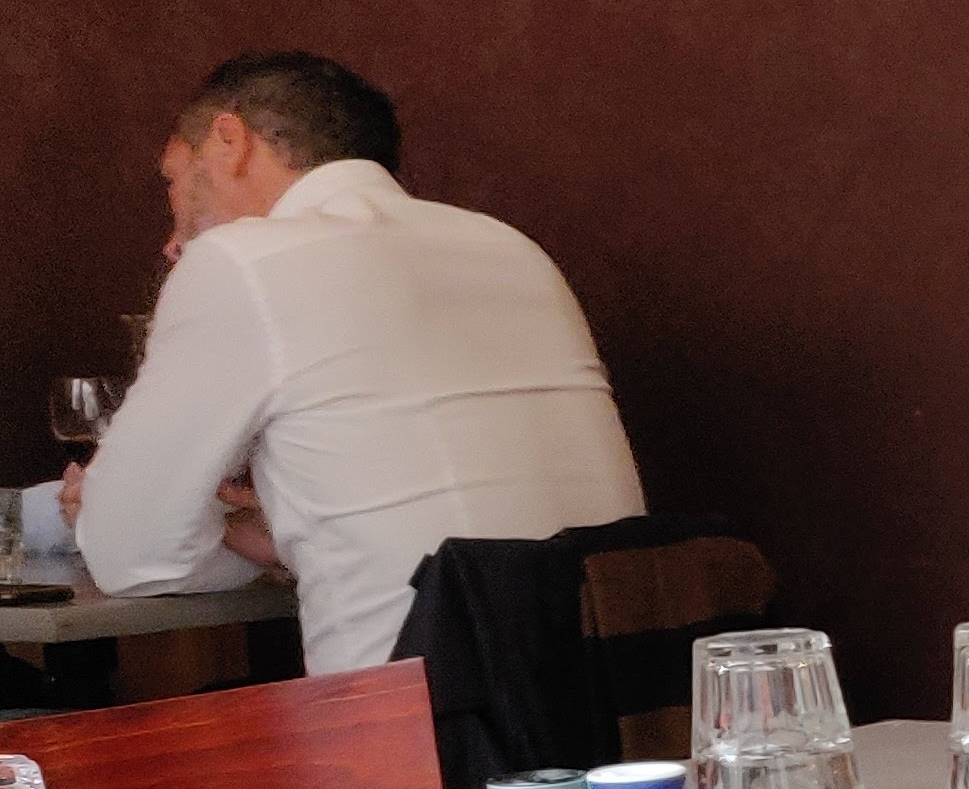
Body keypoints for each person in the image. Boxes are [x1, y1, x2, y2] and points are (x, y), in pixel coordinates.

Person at [43, 53, 645, 672]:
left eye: (174, 180)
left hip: (423, 708)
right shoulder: (511, 249)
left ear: (229, 141)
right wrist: (285, 531)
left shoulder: (242, 260)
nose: (174, 238)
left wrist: (220, 529)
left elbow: (129, 554)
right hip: (622, 694)